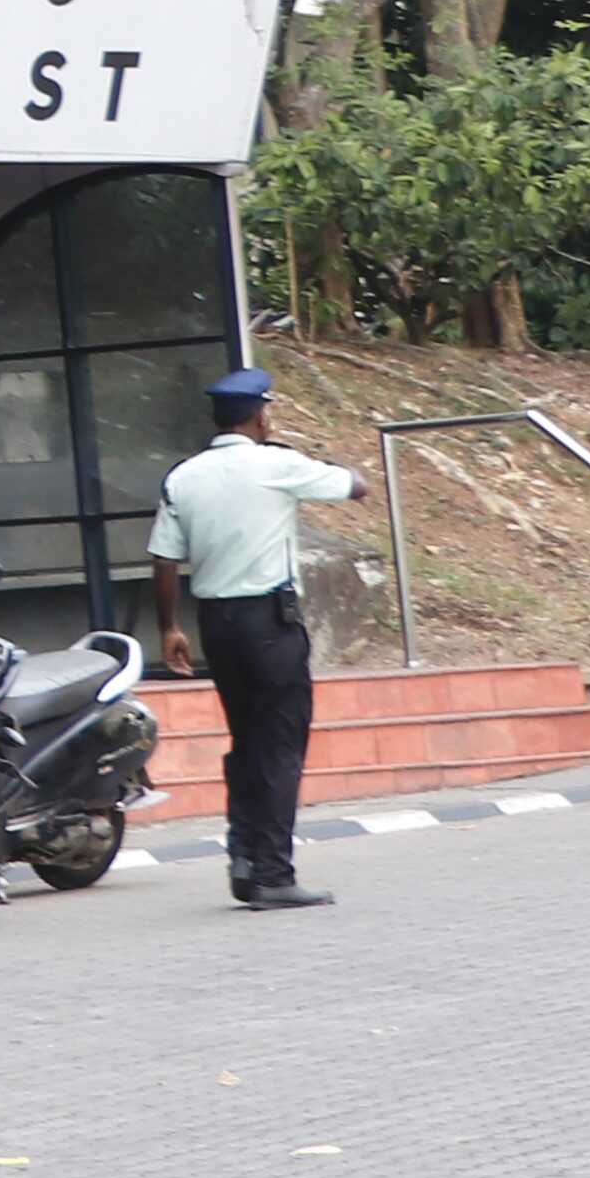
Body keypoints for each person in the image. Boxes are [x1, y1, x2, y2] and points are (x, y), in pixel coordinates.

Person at [150, 371, 362, 912]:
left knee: (245, 741)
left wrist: (169, 626)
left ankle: (243, 859)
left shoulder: (184, 476)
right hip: (270, 624)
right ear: (260, 416)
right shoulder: (277, 465)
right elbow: (353, 487)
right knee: (281, 745)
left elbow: (165, 558)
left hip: (215, 625)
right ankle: (273, 873)